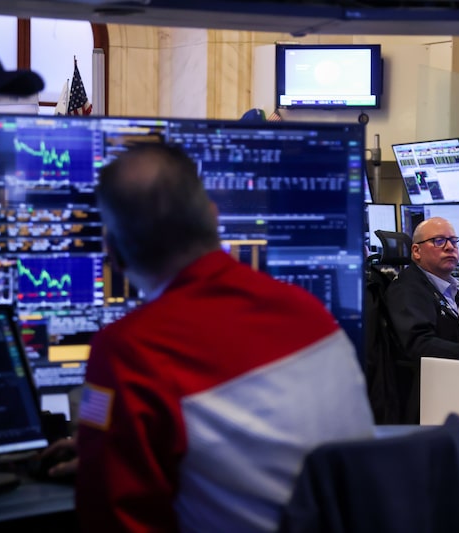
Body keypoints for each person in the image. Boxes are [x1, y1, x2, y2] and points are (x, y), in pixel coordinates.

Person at [64, 143, 374, 532]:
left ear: (113, 252)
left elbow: (113, 518)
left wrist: (103, 453)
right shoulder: (309, 311)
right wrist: (110, 445)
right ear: (213, 217)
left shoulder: (129, 349)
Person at [385, 217, 459, 362]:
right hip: (430, 379)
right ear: (416, 251)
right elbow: (418, 343)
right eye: (439, 241)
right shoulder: (407, 289)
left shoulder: (453, 287)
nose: (449, 247)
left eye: (454, 241)